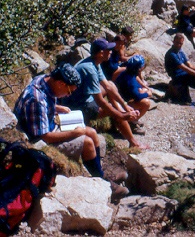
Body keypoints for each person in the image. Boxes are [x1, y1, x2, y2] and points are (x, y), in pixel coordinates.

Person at [14, 63, 129, 201]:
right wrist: (75, 134)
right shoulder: (37, 100)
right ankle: (104, 184)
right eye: (69, 91)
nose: (69, 94)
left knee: (91, 132)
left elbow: (44, 106)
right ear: (61, 83)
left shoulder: (44, 79)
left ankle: (100, 173)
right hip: (39, 141)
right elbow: (46, 137)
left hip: (45, 126)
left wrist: (56, 107)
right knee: (87, 142)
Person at [65, 38, 149, 150]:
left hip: (84, 96)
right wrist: (121, 114)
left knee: (111, 85)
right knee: (116, 111)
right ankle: (133, 142)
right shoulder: (89, 69)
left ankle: (121, 116)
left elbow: (108, 86)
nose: (111, 51)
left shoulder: (94, 62)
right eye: (108, 49)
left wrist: (125, 106)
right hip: (78, 105)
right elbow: (100, 101)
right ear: (101, 53)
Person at [115, 55, 152, 134]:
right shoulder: (130, 80)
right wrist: (147, 93)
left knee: (142, 96)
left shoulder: (127, 72)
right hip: (122, 105)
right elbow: (137, 96)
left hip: (123, 100)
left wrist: (142, 89)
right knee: (146, 103)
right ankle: (132, 123)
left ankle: (133, 120)